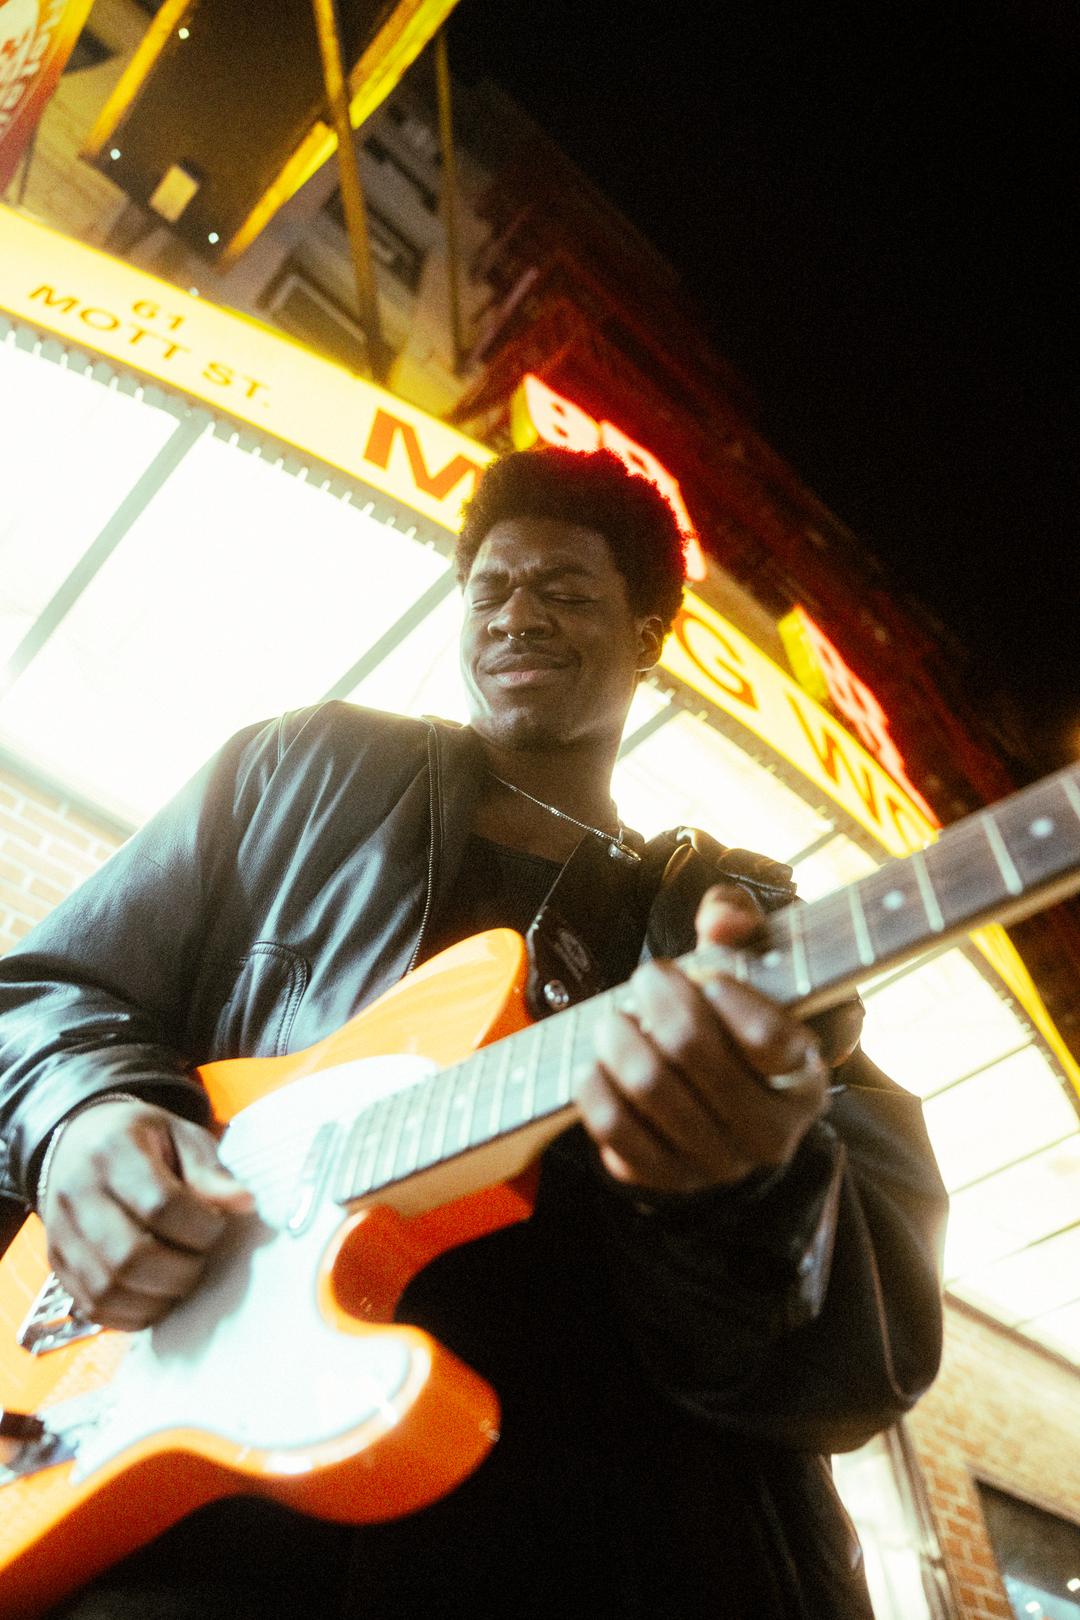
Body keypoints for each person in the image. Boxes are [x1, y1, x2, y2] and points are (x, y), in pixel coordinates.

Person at [0, 447, 947, 1619]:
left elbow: (866, 1369)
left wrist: (744, 1196)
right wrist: (82, 1116)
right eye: (492, 588)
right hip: (185, 1541)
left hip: (591, 1565)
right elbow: (41, 992)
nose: (517, 615)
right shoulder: (301, 770)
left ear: (649, 640)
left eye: (566, 590)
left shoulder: (748, 956)